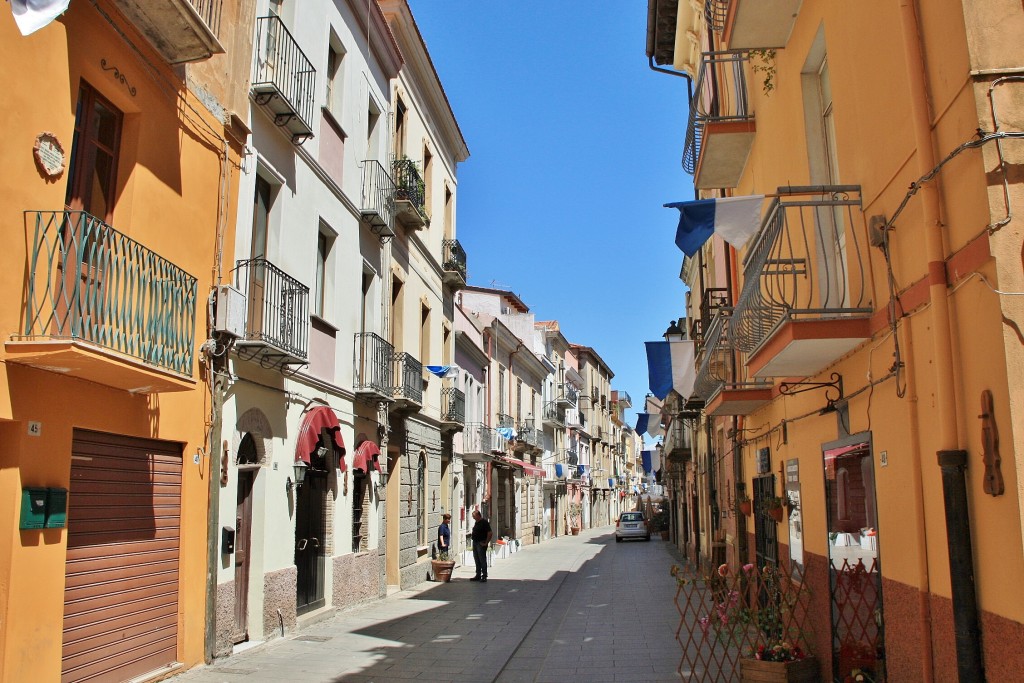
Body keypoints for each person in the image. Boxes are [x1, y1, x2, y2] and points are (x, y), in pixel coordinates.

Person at [470, 509, 492, 582]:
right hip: (475, 542)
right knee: (476, 559)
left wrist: (486, 542)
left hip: (481, 543)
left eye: (474, 516)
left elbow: (490, 533)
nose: (473, 518)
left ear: (478, 515)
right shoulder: (477, 522)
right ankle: (478, 574)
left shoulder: (484, 522)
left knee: (482, 559)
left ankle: (484, 575)